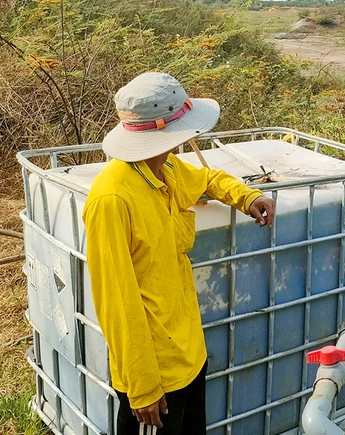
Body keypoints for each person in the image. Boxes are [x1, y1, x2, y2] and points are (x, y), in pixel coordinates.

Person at [83, 72, 276, 434]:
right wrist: (142, 387)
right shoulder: (112, 199)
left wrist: (246, 196)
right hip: (155, 374)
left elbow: (206, 178)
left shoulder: (165, 167)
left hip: (189, 354)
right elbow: (116, 302)